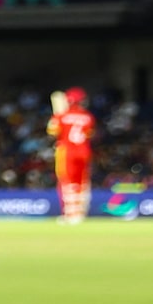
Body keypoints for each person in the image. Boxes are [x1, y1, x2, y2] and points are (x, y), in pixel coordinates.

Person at [50, 87, 97, 223]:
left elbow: (53, 131)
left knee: (67, 182)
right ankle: (80, 213)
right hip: (84, 151)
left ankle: (70, 215)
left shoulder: (62, 116)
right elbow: (89, 134)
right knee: (81, 183)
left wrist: (56, 117)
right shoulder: (88, 116)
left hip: (67, 151)